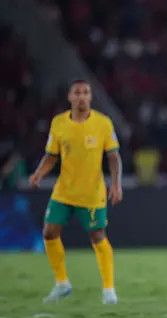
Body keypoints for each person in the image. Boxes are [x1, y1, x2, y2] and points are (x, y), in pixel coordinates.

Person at [28, 79, 122, 304]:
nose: (82, 96)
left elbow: (113, 156)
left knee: (98, 236)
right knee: (49, 233)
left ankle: (109, 290)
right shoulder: (58, 123)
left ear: (90, 97)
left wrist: (116, 183)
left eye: (86, 92)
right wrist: (39, 173)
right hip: (64, 191)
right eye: (77, 92)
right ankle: (62, 283)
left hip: (91, 193)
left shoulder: (103, 123)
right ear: (70, 97)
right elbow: (52, 156)